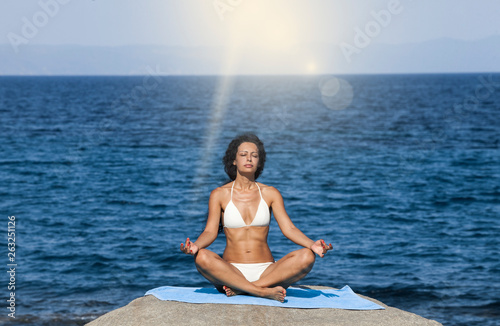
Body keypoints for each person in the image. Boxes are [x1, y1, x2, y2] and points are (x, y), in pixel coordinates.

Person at [180, 133, 333, 302]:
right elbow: (210, 231)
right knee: (201, 257)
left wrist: (312, 245)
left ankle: (246, 289)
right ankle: (261, 291)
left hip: (267, 270)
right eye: (243, 154)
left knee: (307, 256)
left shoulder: (270, 193)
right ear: (234, 160)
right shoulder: (219, 194)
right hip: (232, 271)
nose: (249, 159)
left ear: (259, 162)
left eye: (254, 155)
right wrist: (195, 246)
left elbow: (289, 228)